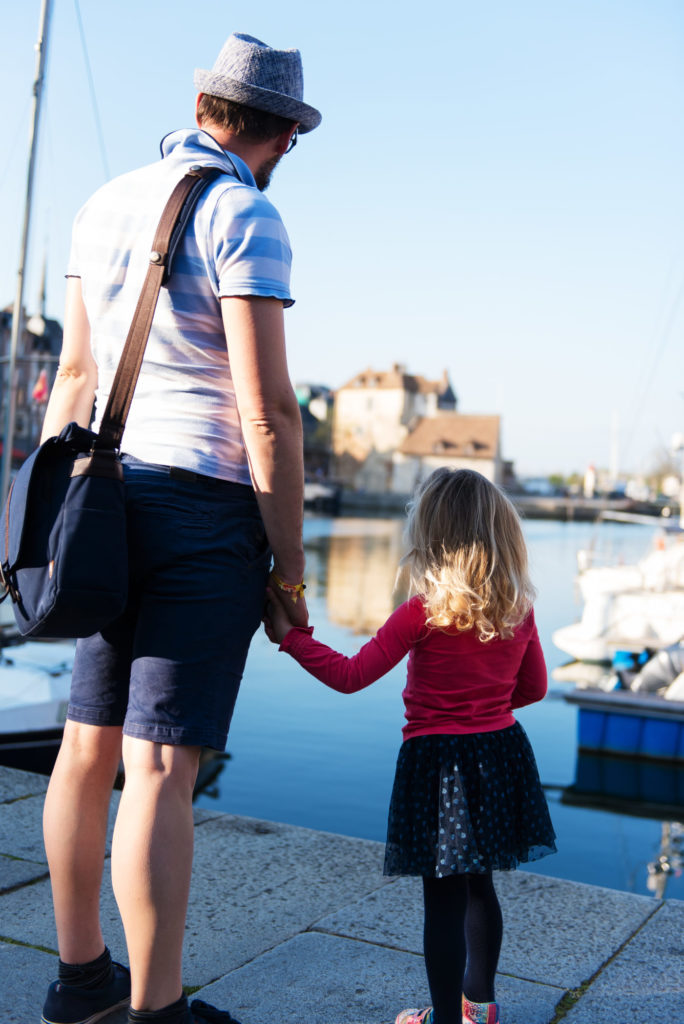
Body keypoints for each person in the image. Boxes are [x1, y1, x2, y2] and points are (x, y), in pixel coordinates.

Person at [39, 32, 320, 1024]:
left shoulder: (101, 203)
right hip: (202, 509)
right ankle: (157, 1012)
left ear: (201, 104)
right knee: (159, 764)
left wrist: (51, 520)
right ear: (283, 134)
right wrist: (288, 565)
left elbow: (72, 378)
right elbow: (268, 411)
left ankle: (80, 982)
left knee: (86, 745)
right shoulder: (249, 212)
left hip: (104, 496)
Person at [265, 468, 557, 1024]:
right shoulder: (518, 609)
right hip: (499, 755)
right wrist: (485, 704)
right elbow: (535, 688)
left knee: (441, 901)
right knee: (480, 887)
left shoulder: (422, 613)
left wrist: (292, 639)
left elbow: (351, 675)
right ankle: (481, 1010)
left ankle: (445, 1020)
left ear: (431, 537)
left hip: (438, 765)